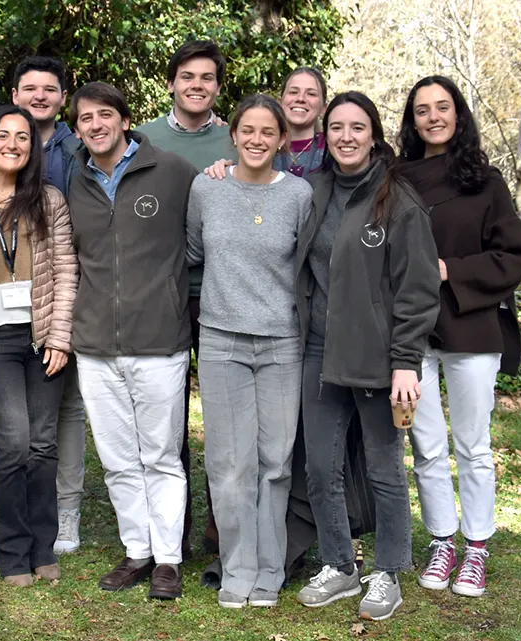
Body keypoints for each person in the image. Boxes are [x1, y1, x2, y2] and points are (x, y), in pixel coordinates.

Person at [293, 91, 440, 621]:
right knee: (319, 466)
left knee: (383, 469)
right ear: (324, 136)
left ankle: (388, 571)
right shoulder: (314, 190)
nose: (346, 136)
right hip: (318, 352)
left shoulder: (397, 200)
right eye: (336, 128)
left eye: (358, 127)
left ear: (374, 136)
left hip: (379, 359)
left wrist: (406, 361)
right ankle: (339, 565)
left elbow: (418, 290)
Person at [398, 75, 521, 597]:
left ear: (458, 115)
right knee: (426, 445)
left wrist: (449, 270)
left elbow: (514, 255)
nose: (433, 117)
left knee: (472, 445)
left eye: (443, 107)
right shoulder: (398, 178)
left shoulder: (485, 181)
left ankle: (476, 547)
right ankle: (442, 540)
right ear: (411, 121)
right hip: (413, 332)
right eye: (422, 110)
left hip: (472, 326)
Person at [0, 56, 87, 556]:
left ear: (34, 148)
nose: (13, 144)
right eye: (3, 136)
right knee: (13, 445)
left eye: (23, 138)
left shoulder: (49, 199)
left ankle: (43, 546)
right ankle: (11, 549)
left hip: (43, 333)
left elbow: (67, 270)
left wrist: (60, 337)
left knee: (44, 444)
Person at [68, 82, 198, 600]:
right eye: (85, 119)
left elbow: (205, 232)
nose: (96, 125)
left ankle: (168, 559)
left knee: (161, 456)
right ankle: (137, 551)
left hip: (159, 339)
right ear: (75, 128)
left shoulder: (172, 173)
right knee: (119, 458)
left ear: (125, 120)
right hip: (95, 341)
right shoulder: (73, 181)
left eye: (105, 115)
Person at [186, 95, 312, 608]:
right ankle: (236, 568)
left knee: (275, 461)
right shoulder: (206, 187)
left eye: (268, 132)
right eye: (248, 130)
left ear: (282, 139)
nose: (257, 140)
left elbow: (308, 265)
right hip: (220, 339)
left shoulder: (300, 194)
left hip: (282, 342)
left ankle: (270, 568)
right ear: (232, 134)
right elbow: (194, 249)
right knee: (229, 463)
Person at [136, 40, 236, 556]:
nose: (197, 85)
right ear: (172, 82)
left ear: (218, 86)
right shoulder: (144, 139)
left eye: (207, 78)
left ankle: (223, 528)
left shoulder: (237, 138)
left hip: (222, 298)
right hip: (162, 294)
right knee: (166, 421)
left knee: (222, 418)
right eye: (188, 76)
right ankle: (170, 526)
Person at [274, 66, 327, 177]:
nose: (300, 99)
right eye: (293, 92)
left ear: (323, 108)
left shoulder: (331, 147)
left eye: (311, 94)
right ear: (280, 102)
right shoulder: (263, 143)